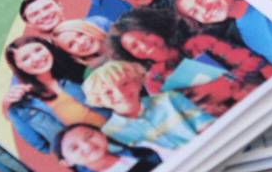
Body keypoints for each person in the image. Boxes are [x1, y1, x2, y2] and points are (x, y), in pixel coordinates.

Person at [111, 7, 272, 115]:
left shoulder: (199, 43)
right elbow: (183, 114)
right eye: (134, 46)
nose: (144, 45)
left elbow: (253, 62)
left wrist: (224, 84)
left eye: (145, 35)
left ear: (156, 29)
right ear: (131, 55)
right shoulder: (154, 81)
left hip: (261, 97)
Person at [2, 36, 108, 153]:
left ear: (47, 48)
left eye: (38, 50)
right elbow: (42, 146)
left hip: (121, 131)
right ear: (18, 67)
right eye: (25, 58)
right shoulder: (22, 106)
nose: (37, 58)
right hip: (90, 154)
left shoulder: (74, 70)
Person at [82, 60, 215, 149]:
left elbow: (209, 128)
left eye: (125, 83)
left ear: (137, 81)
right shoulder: (108, 135)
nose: (120, 93)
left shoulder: (169, 99)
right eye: (108, 92)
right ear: (98, 100)